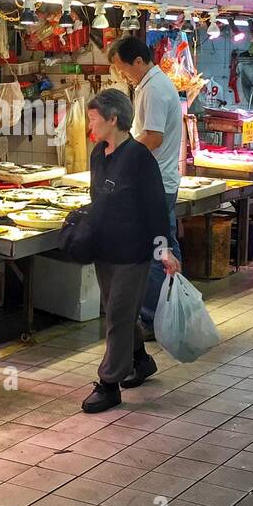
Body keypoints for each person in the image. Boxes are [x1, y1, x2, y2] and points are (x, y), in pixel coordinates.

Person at [81, 88, 178, 413]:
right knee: (117, 312)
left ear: (113, 119)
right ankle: (139, 358)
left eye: (94, 118)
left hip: (133, 252)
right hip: (104, 249)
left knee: (119, 316)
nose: (90, 123)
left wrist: (163, 250)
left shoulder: (139, 157)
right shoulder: (98, 154)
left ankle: (109, 384)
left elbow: (154, 208)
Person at [106, 36, 184, 343]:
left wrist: (121, 155)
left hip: (154, 184)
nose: (122, 74)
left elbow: (152, 137)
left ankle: (153, 317)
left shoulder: (153, 88)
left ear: (138, 61)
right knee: (167, 246)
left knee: (156, 251)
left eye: (122, 68)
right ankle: (174, 309)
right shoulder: (154, 84)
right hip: (162, 181)